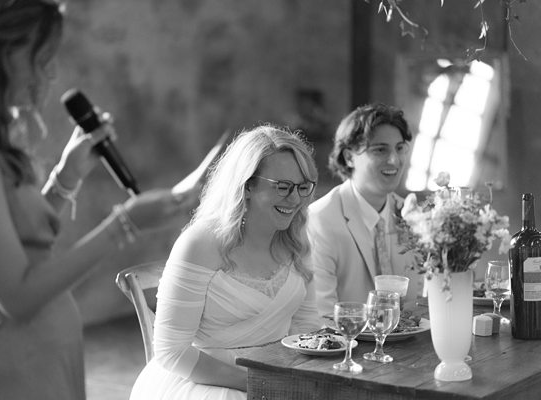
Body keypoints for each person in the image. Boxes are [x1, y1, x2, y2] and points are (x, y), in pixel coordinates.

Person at [0, 1, 197, 399]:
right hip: (11, 373)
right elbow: (17, 296)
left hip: (40, 363)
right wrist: (124, 224)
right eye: (40, 57)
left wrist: (68, 174)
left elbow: (16, 241)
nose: (50, 71)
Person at [129, 125, 321, 399]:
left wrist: (293, 378)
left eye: (303, 187)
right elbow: (172, 351)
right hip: (204, 380)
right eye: (282, 187)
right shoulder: (200, 244)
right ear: (247, 186)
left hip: (275, 376)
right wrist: (255, 384)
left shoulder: (296, 240)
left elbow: (306, 324)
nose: (296, 199)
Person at [307, 103, 423, 316]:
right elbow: (321, 315)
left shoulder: (411, 214)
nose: (394, 160)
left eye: (399, 148)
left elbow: (422, 299)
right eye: (380, 149)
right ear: (350, 157)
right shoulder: (320, 219)